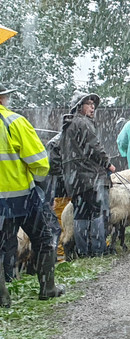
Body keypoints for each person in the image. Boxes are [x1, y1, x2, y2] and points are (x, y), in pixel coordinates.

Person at [0, 84, 64, 307]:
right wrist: (37, 183)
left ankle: (3, 298)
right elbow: (39, 162)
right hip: (23, 198)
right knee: (45, 239)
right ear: (2, 98)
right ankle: (47, 287)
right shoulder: (15, 122)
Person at [60, 90, 114, 258]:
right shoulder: (83, 123)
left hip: (74, 179)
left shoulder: (67, 126)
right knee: (98, 212)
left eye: (93, 104)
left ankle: (83, 251)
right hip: (91, 177)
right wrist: (108, 163)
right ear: (79, 107)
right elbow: (95, 146)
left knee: (81, 214)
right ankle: (99, 250)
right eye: (89, 104)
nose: (92, 107)